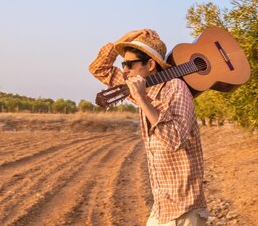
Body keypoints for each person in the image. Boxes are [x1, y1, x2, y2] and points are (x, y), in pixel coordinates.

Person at [89, 29, 208, 226]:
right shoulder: (141, 89)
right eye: (122, 64)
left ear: (150, 64)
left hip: (184, 209)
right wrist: (130, 37)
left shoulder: (176, 88)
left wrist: (142, 100)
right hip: (163, 206)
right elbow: (98, 68)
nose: (124, 70)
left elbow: (175, 140)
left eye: (129, 64)